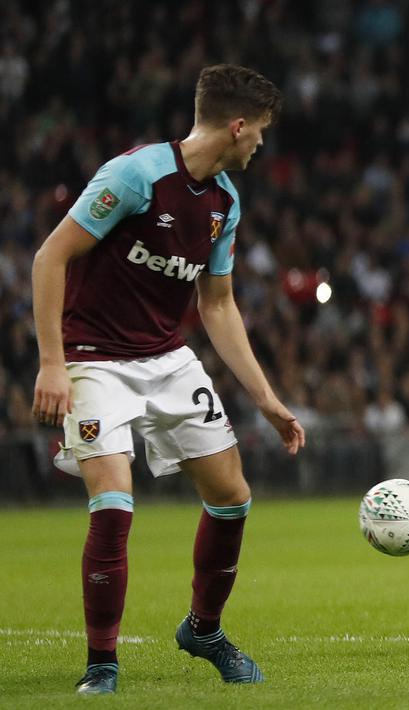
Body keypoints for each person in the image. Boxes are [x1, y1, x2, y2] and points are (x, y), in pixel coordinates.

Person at [31, 64, 304, 695]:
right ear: (237, 126)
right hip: (94, 358)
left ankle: (203, 629)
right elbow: (52, 255)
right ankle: (102, 664)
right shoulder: (135, 174)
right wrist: (51, 362)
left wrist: (265, 398)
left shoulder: (224, 202)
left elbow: (217, 304)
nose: (260, 143)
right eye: (259, 131)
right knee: (114, 505)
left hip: (167, 359)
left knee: (233, 495)